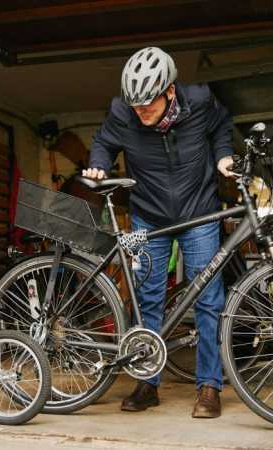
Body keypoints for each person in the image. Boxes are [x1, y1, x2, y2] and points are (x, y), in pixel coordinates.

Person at [83, 46, 235, 419]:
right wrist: (99, 165)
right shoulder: (123, 112)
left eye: (148, 104)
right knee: (148, 298)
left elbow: (221, 127)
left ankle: (209, 386)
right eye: (136, 105)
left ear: (169, 91)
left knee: (207, 299)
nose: (141, 112)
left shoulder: (199, 101)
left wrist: (223, 155)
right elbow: (103, 142)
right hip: (148, 218)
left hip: (199, 213)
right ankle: (147, 383)